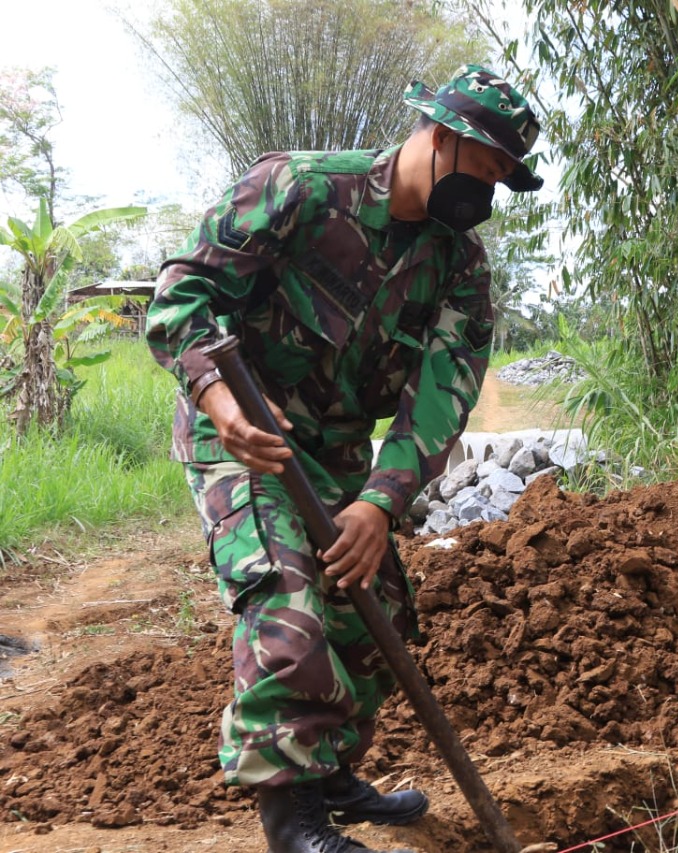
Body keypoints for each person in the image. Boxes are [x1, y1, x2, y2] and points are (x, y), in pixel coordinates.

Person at [146, 66, 542, 853]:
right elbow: (182, 293)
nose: (489, 191)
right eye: (488, 166)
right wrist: (221, 404)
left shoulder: (458, 265)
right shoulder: (298, 188)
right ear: (440, 136)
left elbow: (442, 394)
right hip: (242, 432)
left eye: (504, 176)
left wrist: (379, 501)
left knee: (378, 610)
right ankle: (292, 818)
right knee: (286, 598)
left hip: (331, 455)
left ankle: (329, 773)